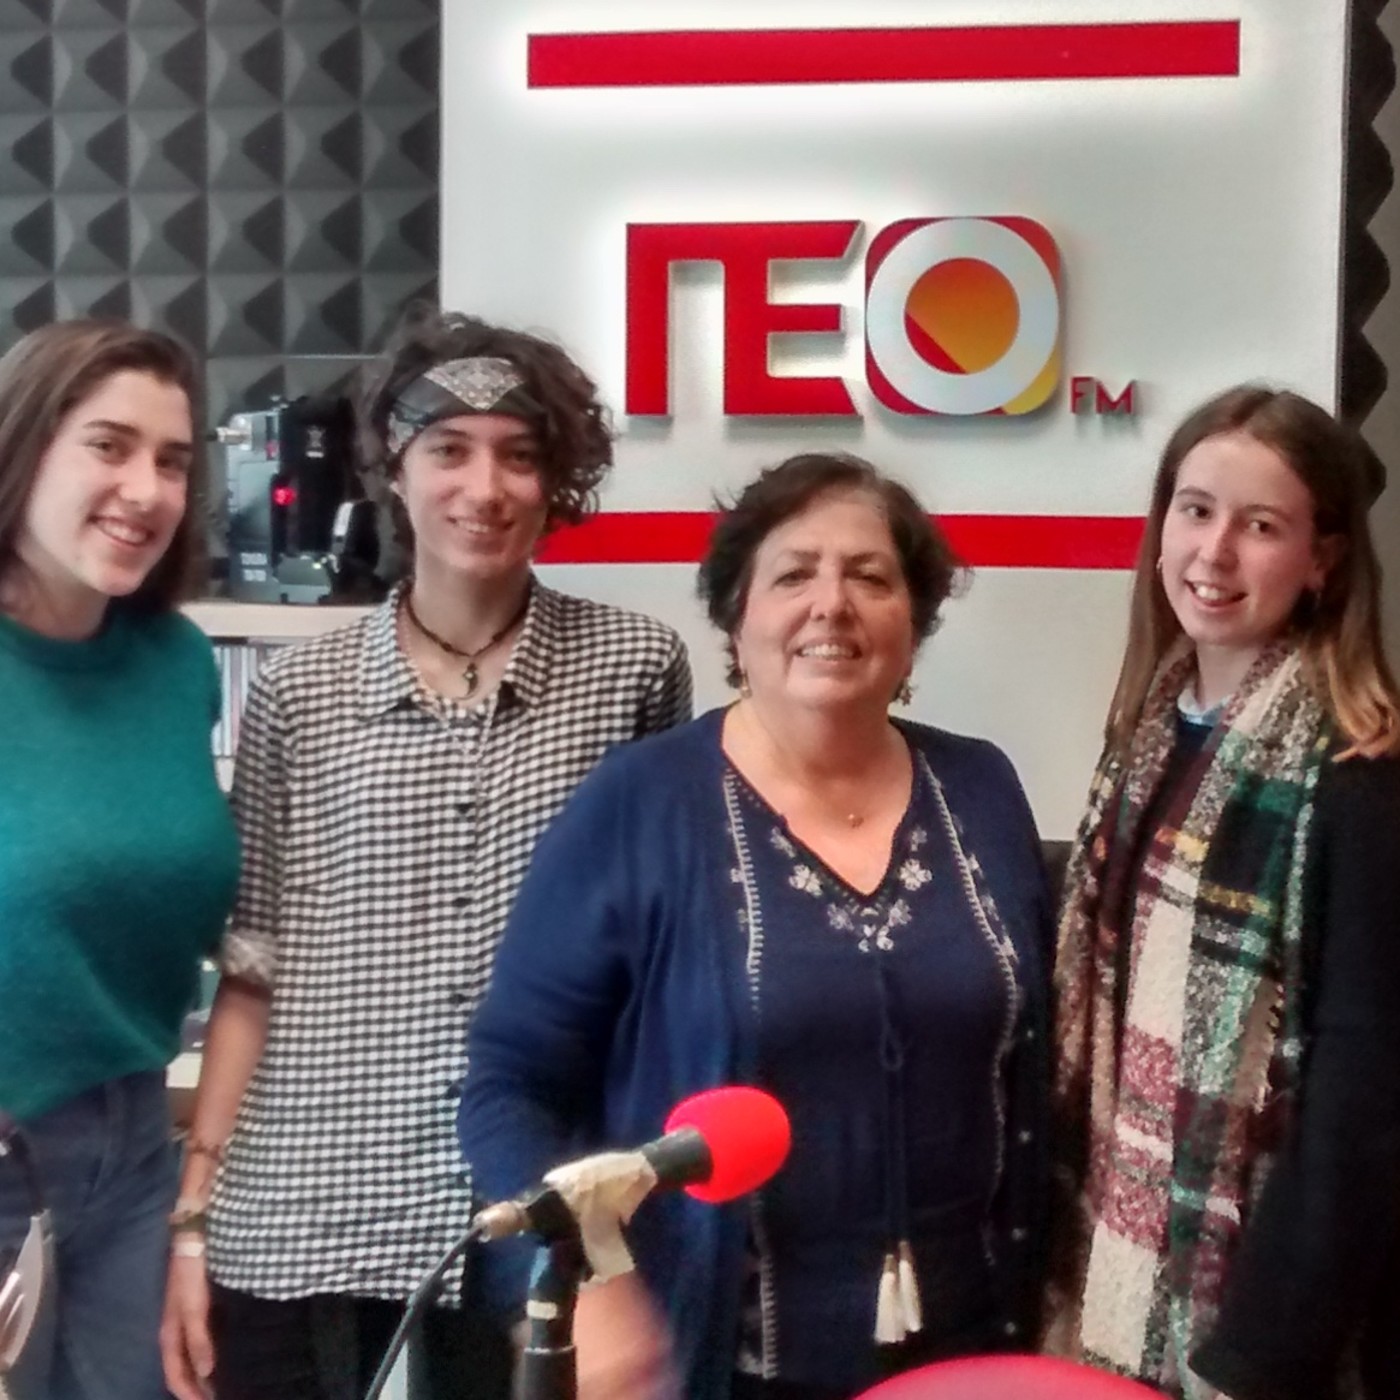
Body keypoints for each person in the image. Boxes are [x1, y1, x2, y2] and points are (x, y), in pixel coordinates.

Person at [159, 308, 693, 1400]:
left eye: (518, 455)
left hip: (529, 1202)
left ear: (556, 480)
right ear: (393, 469)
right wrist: (193, 1217)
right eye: (448, 449)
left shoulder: (633, 667)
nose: (483, 486)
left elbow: (651, 974)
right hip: (307, 1196)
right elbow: (253, 970)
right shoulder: (299, 695)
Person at [459, 452, 1052, 1400]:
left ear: (914, 623)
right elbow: (509, 1083)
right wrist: (588, 1287)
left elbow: (1037, 1075)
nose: (832, 604)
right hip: (718, 1364)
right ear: (737, 615)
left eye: (870, 577)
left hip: (971, 1356)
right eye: (793, 575)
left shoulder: (981, 787)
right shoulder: (640, 802)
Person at [1047, 386, 1400, 1400]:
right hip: (1115, 1262)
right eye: (1194, 510)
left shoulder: (1359, 775)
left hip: (1258, 1318)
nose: (1213, 552)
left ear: (1322, 560)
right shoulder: (1148, 731)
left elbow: (1362, 1104)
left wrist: (1260, 1354)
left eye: (1261, 526)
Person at [0, 320, 239, 1400]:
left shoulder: (175, 663)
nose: (146, 490)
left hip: (135, 1147)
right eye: (108, 445)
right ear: (24, 447)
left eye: (173, 461)